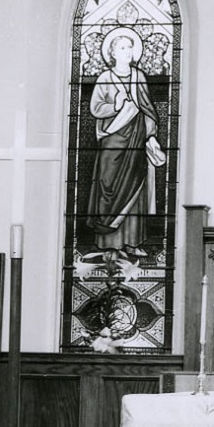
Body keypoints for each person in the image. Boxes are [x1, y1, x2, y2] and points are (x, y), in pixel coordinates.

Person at [87, 27, 162, 256]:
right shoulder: (105, 78)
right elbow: (96, 109)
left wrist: (150, 134)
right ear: (112, 52)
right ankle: (109, 245)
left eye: (130, 47)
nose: (128, 51)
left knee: (135, 190)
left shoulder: (139, 77)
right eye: (122, 47)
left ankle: (132, 242)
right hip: (112, 143)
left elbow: (148, 107)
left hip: (136, 140)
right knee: (107, 189)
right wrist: (117, 106)